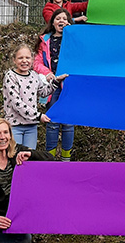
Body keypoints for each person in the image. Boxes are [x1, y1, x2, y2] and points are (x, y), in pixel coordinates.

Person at [0, 118, 53, 243]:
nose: (2, 137)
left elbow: (50, 160)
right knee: (24, 239)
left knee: (25, 238)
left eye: (6, 132)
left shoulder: (17, 152)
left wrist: (31, 155)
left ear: (10, 135)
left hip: (19, 216)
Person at [3, 44, 67, 149]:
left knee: (29, 156)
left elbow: (43, 92)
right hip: (14, 125)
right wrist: (38, 116)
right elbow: (16, 103)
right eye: (20, 58)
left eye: (27, 58)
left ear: (32, 59)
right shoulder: (11, 76)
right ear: (14, 60)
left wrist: (56, 81)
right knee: (15, 157)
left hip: (31, 126)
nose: (24, 61)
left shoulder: (34, 75)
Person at [34, 9, 75, 161]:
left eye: (64, 18)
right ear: (53, 22)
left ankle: (66, 159)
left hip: (70, 86)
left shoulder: (74, 39)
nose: (61, 21)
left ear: (69, 22)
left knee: (68, 123)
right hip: (53, 85)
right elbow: (36, 62)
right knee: (52, 121)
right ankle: (49, 158)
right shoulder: (45, 40)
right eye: (58, 18)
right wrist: (47, 73)